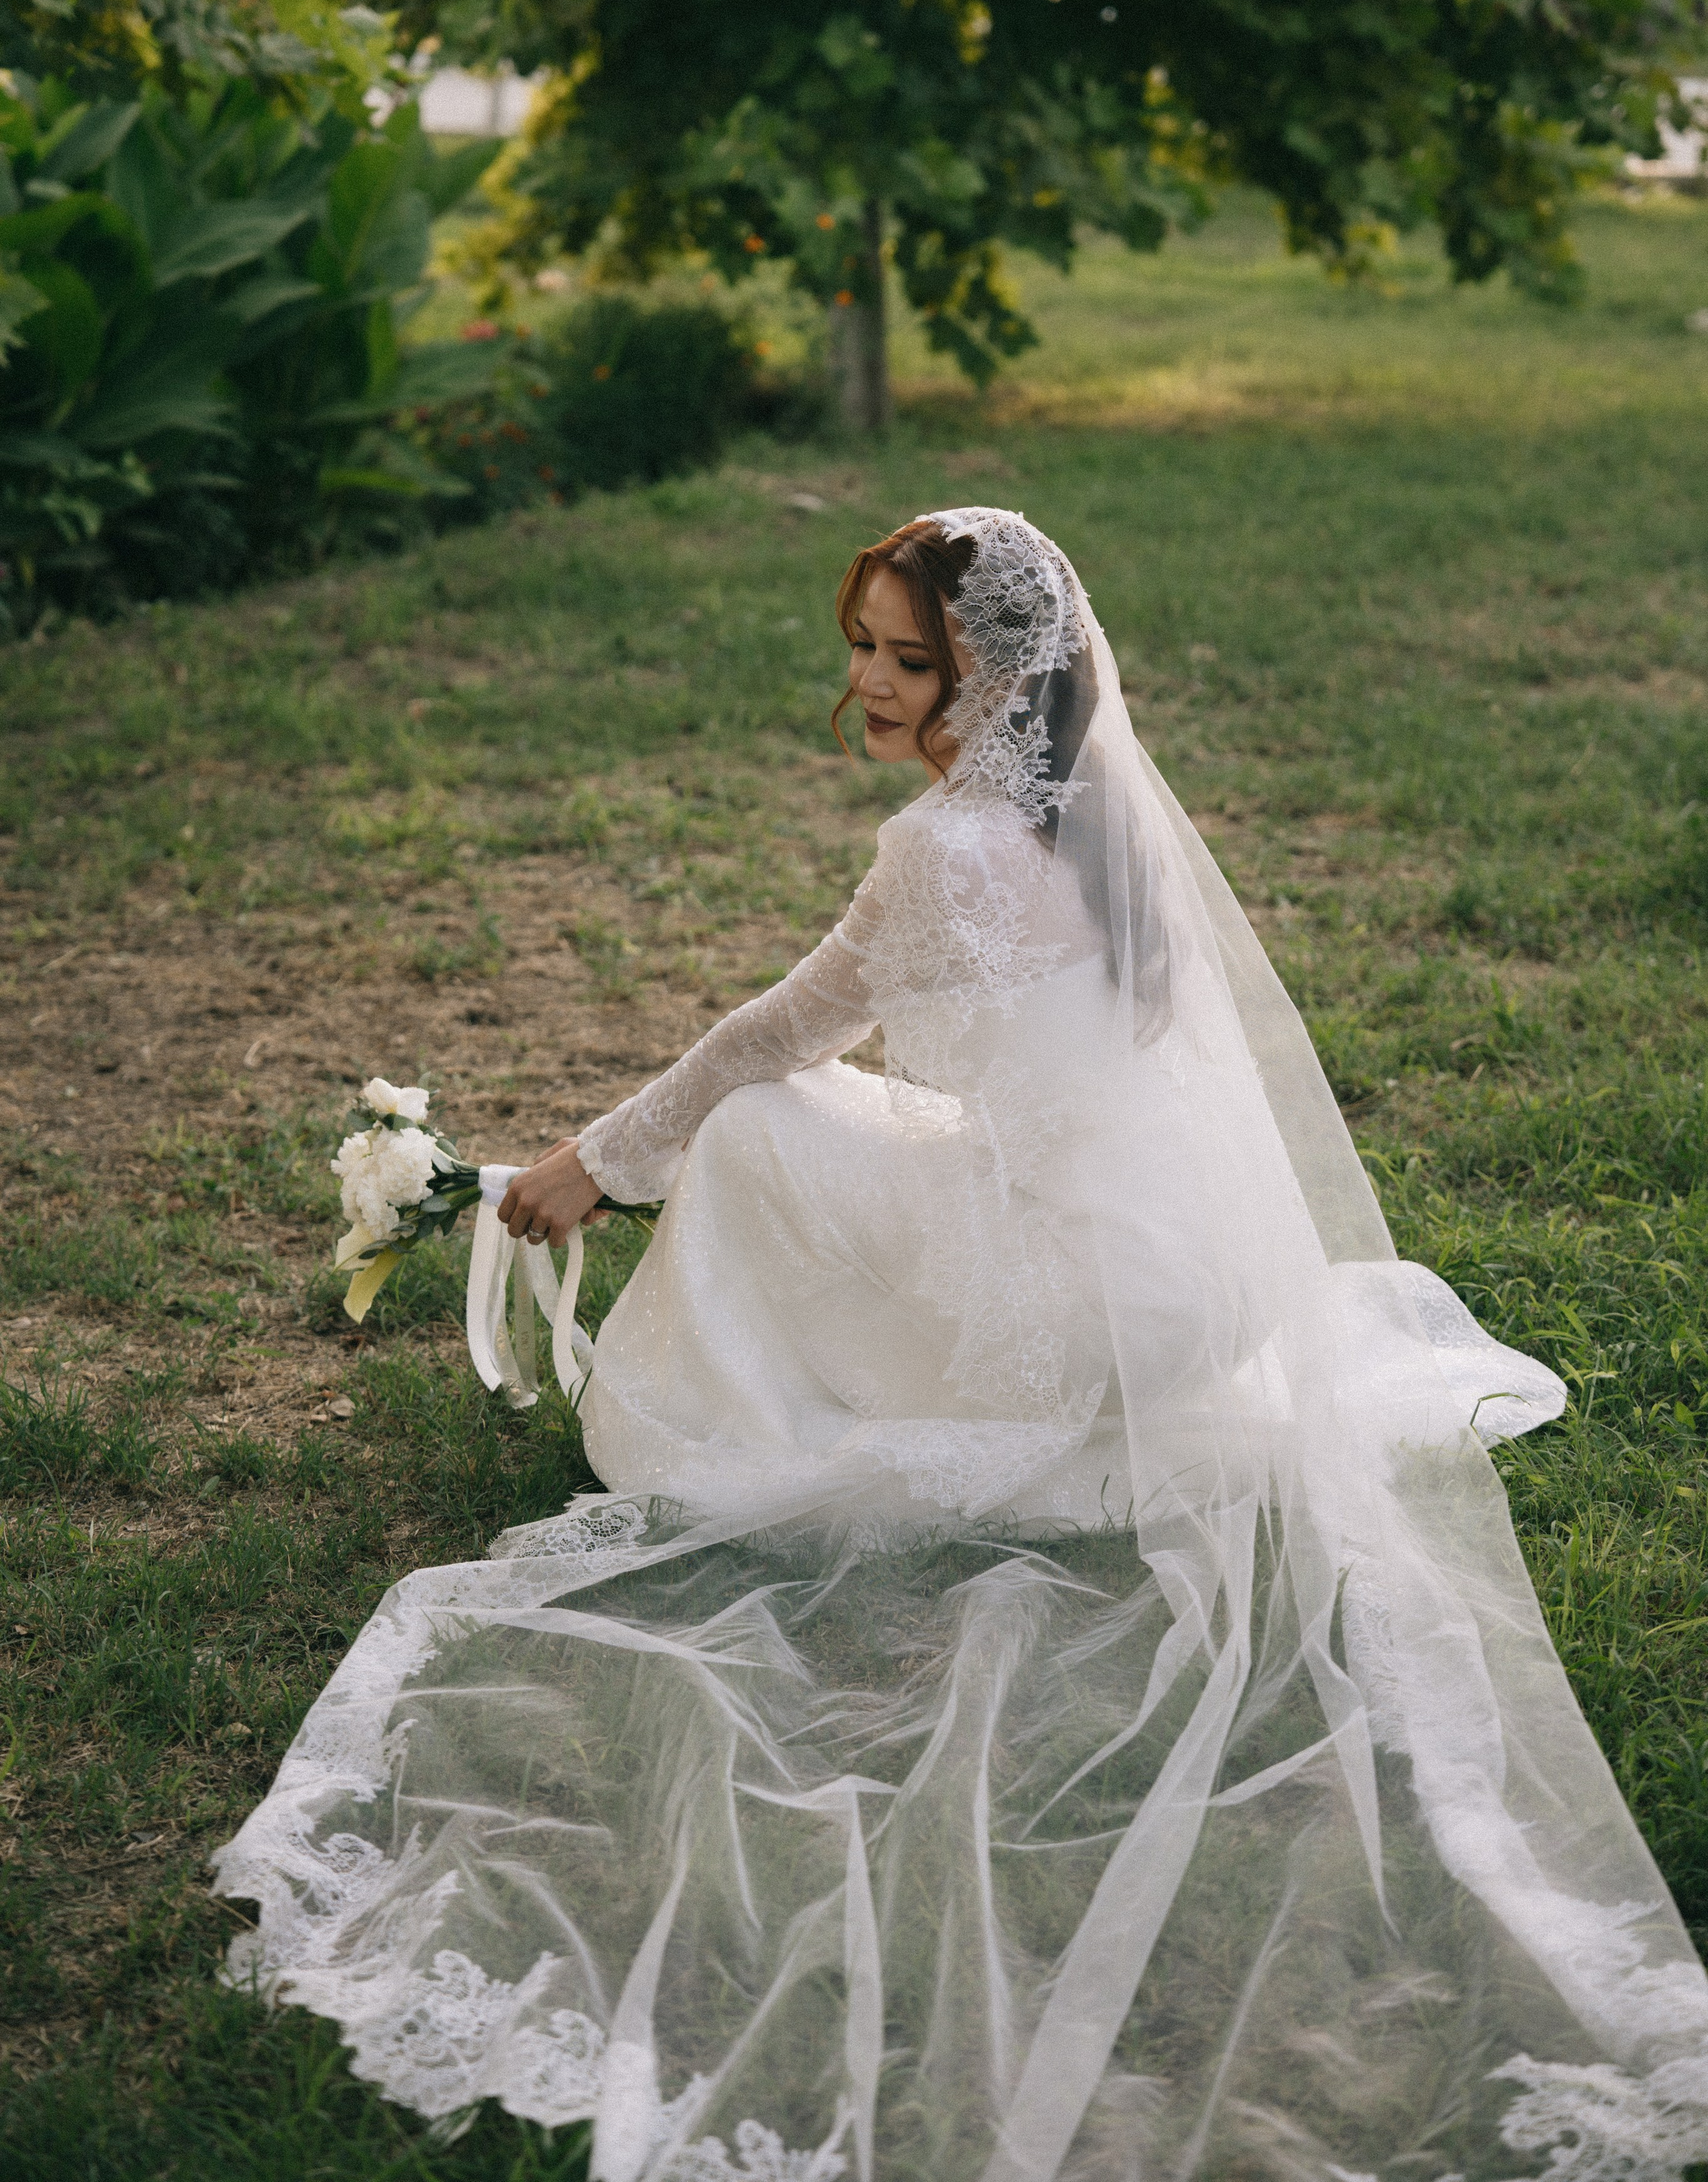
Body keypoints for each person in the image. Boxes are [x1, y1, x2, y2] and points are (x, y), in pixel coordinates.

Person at [215, 510, 1708, 2182]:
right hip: (1196, 1284)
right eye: (856, 641)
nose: (861, 680)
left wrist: (595, 1161)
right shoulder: (1104, 816)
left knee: (774, 1120)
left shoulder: (940, 848)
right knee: (823, 1122)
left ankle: (721, 1413)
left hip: (1074, 1306)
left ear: (993, 672)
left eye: (901, 657)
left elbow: (784, 1026)